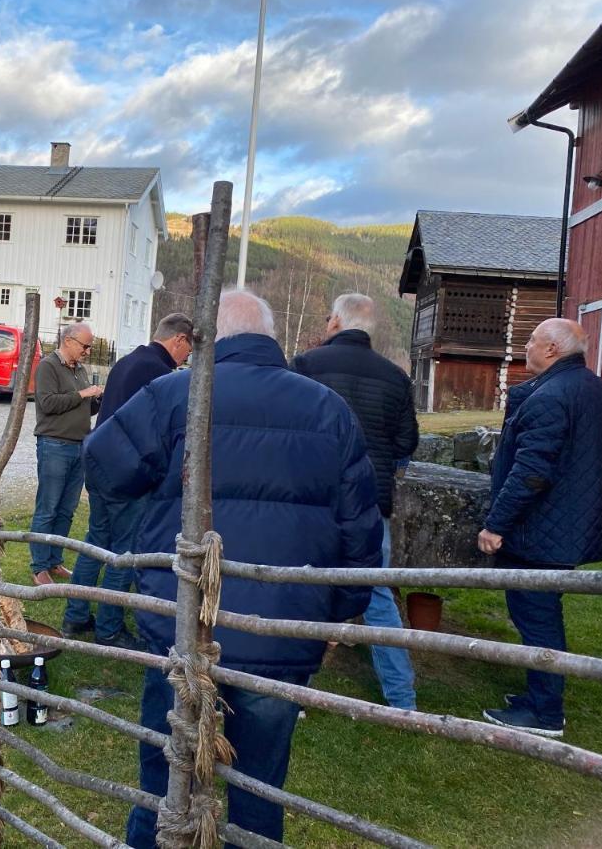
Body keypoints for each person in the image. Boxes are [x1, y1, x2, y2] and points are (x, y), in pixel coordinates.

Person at [84, 290, 382, 845]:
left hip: (182, 623)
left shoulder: (175, 394)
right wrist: (339, 614)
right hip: (281, 630)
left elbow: (103, 466)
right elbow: (361, 530)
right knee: (259, 782)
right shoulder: (327, 408)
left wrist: (153, 493)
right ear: (269, 337)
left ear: (209, 339)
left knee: (164, 767)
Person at [479, 318, 602, 738]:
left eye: (532, 341)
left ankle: (545, 713)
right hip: (570, 525)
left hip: (538, 531)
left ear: (553, 350)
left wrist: (495, 525)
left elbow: (530, 473)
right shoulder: (599, 392)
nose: (526, 347)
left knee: (537, 618)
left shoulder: (550, 398)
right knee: (541, 614)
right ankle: (537, 695)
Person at [292, 293, 419, 710]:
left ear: (334, 323)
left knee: (306, 589)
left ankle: (295, 690)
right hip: (369, 500)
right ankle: (402, 700)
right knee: (377, 595)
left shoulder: (308, 366)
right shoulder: (397, 378)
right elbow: (406, 443)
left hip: (316, 497)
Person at [62, 313, 194, 650]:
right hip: (127, 473)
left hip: (99, 463)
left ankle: (75, 615)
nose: (187, 358)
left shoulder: (128, 361)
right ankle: (109, 627)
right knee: (125, 550)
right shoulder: (159, 373)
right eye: (188, 349)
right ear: (178, 339)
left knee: (96, 542)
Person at [28, 322, 104, 586]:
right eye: (85, 345)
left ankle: (54, 560)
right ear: (69, 341)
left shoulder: (80, 369)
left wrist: (96, 401)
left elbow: (82, 409)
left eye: (90, 346)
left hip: (78, 446)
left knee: (66, 509)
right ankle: (39, 567)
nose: (88, 350)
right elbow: (47, 404)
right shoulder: (49, 365)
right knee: (48, 508)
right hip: (54, 445)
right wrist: (83, 393)